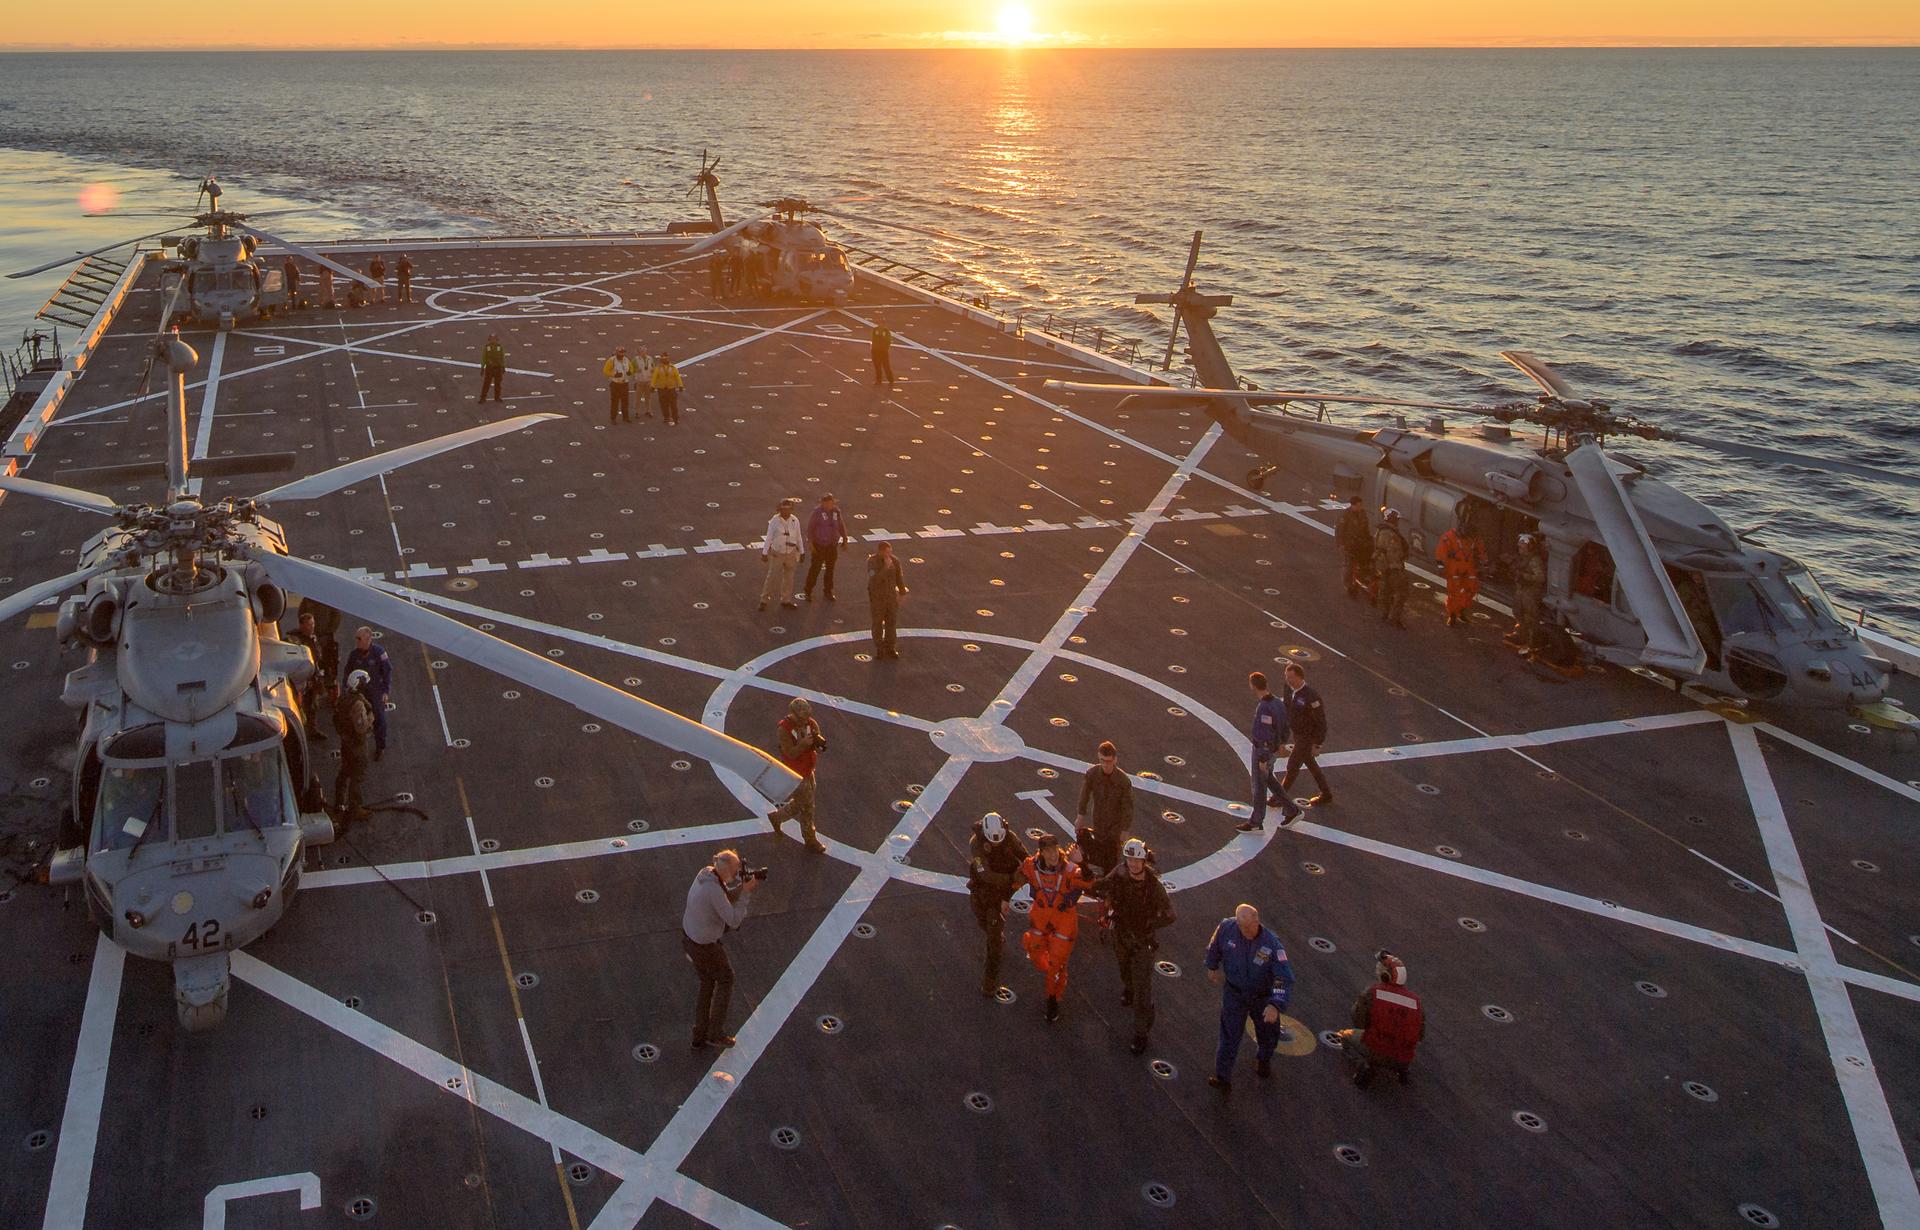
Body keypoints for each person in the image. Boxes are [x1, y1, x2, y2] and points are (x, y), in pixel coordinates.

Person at [1095, 837, 1176, 1054]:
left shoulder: (1153, 885)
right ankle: (1128, 989)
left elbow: (1170, 915)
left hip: (1142, 941)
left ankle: (1141, 1033)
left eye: (1137, 860)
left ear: (1144, 861)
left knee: (1143, 991)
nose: (1133, 864)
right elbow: (1101, 885)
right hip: (1121, 934)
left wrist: (1149, 924)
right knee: (1124, 969)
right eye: (1129, 859)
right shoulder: (1120, 873)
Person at [1204, 904, 1294, 1093]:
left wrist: (1275, 1005)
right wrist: (1211, 965)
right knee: (1229, 1035)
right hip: (1234, 994)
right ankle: (1223, 1076)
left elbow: (1283, 977)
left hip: (1261, 997)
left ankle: (1263, 1058)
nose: (1247, 931)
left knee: (1267, 1032)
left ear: (1257, 920)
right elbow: (1215, 946)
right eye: (1243, 928)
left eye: (1250, 926)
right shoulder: (1226, 928)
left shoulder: (1272, 944)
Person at [681, 848, 763, 1050]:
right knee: (726, 979)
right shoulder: (713, 889)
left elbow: (723, 897)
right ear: (726, 870)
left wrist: (742, 887)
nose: (737, 875)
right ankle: (715, 1033)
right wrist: (745, 893)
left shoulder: (707, 873)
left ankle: (699, 1034)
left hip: (691, 939)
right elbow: (733, 920)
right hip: (705, 946)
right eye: (736, 872)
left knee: (707, 983)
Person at [1019, 833, 1097, 1023]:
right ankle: (1052, 977)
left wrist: (1083, 862)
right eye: (1048, 851)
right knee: (1036, 954)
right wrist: (1004, 897)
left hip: (1064, 921)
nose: (1053, 855)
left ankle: (1053, 997)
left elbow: (1089, 881)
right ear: (1042, 853)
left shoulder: (1070, 869)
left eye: (1054, 850)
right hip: (1041, 918)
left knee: (1057, 962)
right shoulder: (1031, 866)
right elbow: (1017, 876)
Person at [1337, 951, 1425, 1087]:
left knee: (1346, 1036)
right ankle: (1402, 1071)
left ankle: (1366, 1066)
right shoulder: (1416, 1002)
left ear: (1385, 976)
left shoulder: (1372, 993)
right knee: (1401, 1052)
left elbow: (1358, 1021)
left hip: (1375, 1049)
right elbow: (1420, 1035)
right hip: (1404, 1057)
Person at [967, 812, 1030, 997]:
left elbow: (1026, 859)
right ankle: (995, 935)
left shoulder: (1010, 838)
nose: (996, 843)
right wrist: (1012, 878)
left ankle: (989, 981)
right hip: (981, 890)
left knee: (994, 941)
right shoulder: (976, 843)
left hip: (1000, 893)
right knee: (981, 921)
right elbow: (984, 873)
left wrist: (1010, 889)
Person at [1237, 671, 1302, 833]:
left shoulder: (1264, 708)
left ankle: (1256, 822)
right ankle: (1292, 810)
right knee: (1270, 780)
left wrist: (1264, 757)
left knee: (1259, 787)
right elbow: (1286, 726)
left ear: (1253, 685)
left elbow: (1265, 733)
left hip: (1262, 751)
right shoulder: (1278, 703)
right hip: (1271, 749)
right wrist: (1281, 744)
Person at [765, 697, 827, 854]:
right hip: (795, 773)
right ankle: (810, 839)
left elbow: (816, 744)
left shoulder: (811, 724)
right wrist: (804, 744)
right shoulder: (784, 729)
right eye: (802, 716)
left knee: (801, 803)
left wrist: (817, 746)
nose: (805, 719)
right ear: (793, 714)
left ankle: (777, 817)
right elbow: (790, 753)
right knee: (808, 807)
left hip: (808, 769)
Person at [1074, 740, 1134, 877]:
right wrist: (1080, 816)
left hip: (1115, 827)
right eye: (1102, 760)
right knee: (1088, 848)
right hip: (1099, 822)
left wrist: (1125, 829)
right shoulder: (1092, 774)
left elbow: (1128, 808)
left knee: (1111, 861)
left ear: (1115, 760)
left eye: (1108, 761)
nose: (1105, 765)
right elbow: (1084, 796)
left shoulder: (1123, 781)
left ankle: (1108, 884)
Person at [1279, 663, 1331, 806]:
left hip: (1307, 736)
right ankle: (1326, 794)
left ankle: (1280, 798)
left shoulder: (1312, 697)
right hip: (1297, 733)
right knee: (1310, 763)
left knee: (1292, 766)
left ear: (1300, 677)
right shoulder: (1288, 688)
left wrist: (1318, 744)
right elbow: (1287, 708)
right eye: (1286, 677)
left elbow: (1321, 722)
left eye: (1291, 677)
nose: (1288, 680)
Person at [342, 626, 392, 762]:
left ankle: (380, 747)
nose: (357, 641)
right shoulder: (354, 655)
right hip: (360, 693)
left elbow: (387, 672)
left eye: (359, 638)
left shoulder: (379, 653)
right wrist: (345, 691)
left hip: (375, 692)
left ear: (369, 639)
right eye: (356, 638)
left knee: (379, 720)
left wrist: (386, 691)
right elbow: (347, 674)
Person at [332, 669, 376, 822]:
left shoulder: (344, 698)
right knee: (357, 775)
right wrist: (371, 718)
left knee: (344, 771)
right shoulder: (357, 704)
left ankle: (339, 802)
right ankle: (355, 808)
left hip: (346, 742)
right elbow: (361, 728)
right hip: (357, 746)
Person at [288, 610, 331, 743]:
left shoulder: (312, 637)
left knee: (313, 706)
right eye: (309, 625)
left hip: (313, 677)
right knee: (300, 708)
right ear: (302, 626)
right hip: (302, 680)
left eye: (313, 624)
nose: (312, 627)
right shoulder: (295, 641)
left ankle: (312, 730)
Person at [1436, 521, 1487, 627]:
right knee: (1455, 592)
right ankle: (1453, 615)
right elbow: (1441, 551)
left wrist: (1483, 565)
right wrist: (1441, 566)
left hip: (1470, 566)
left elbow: (1481, 551)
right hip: (1454, 567)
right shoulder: (1449, 536)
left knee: (1471, 589)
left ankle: (1461, 610)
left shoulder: (1475, 537)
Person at [801, 493, 851, 602]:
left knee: (830, 569)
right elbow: (811, 527)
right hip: (819, 545)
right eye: (826, 503)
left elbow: (841, 525)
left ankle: (828, 590)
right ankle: (808, 590)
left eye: (831, 503)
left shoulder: (836, 512)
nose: (829, 505)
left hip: (832, 545)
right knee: (815, 568)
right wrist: (810, 543)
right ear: (822, 503)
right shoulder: (817, 513)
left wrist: (845, 539)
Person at [758, 498, 805, 612]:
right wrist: (764, 552)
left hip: (791, 552)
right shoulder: (774, 521)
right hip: (778, 553)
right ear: (780, 509)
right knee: (772, 577)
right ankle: (764, 600)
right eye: (784, 509)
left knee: (789, 577)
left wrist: (802, 552)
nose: (786, 511)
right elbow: (769, 537)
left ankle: (786, 599)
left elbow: (798, 536)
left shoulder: (795, 520)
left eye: (788, 509)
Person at [866, 540, 907, 659]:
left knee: (891, 623)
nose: (888, 554)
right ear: (880, 551)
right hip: (878, 598)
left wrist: (902, 592)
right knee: (877, 623)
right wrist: (885, 567)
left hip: (891, 598)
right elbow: (874, 580)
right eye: (886, 552)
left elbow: (899, 577)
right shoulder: (872, 562)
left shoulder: (895, 561)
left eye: (890, 552)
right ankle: (879, 648)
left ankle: (890, 647)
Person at [1509, 533, 1547, 656]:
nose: (1519, 548)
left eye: (1522, 546)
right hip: (1521, 591)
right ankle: (1520, 636)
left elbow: (1541, 577)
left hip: (1530, 592)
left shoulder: (1534, 560)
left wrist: (1524, 575)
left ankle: (1532, 644)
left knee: (1530, 618)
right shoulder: (1522, 557)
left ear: (1529, 547)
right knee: (1518, 613)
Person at [1373, 507, 1411, 628]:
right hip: (1392, 568)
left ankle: (1385, 612)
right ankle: (1394, 618)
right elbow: (1393, 553)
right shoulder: (1391, 535)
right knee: (1402, 592)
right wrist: (1397, 568)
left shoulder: (1380, 531)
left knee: (1385, 591)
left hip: (1383, 567)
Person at [1335, 496, 1373, 599]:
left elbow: (1366, 529)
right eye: (1359, 505)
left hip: (1360, 543)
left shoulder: (1362, 513)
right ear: (1353, 505)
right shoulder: (1345, 515)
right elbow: (1339, 531)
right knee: (1349, 565)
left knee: (1364, 562)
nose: (1361, 507)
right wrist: (1341, 544)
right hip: (1348, 544)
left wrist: (1368, 540)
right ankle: (1348, 585)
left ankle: (1361, 580)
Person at [603, 347, 638, 424]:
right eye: (620, 352)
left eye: (623, 352)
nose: (622, 354)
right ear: (616, 353)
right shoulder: (611, 360)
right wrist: (614, 374)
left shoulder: (626, 360)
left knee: (625, 401)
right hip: (615, 384)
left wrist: (630, 372)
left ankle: (625, 417)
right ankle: (613, 418)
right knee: (614, 402)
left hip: (625, 383)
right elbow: (605, 371)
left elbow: (631, 368)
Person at [652, 353, 685, 425]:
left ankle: (675, 418)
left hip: (671, 389)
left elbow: (677, 377)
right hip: (662, 389)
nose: (665, 360)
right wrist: (652, 386)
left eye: (666, 359)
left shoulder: (673, 368)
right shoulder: (658, 368)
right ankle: (666, 417)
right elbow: (654, 377)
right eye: (663, 359)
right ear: (661, 360)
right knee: (664, 405)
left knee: (673, 405)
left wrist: (680, 385)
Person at [479, 333, 506, 403]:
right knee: (486, 383)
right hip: (489, 368)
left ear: (497, 340)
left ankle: (497, 397)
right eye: (491, 339)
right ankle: (483, 397)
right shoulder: (487, 347)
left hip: (498, 368)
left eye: (494, 339)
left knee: (498, 384)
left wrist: (503, 367)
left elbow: (502, 357)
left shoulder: (499, 347)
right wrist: (482, 368)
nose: (493, 340)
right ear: (489, 340)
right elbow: (484, 357)